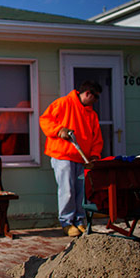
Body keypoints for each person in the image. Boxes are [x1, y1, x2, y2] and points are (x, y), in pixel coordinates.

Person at [39, 80, 103, 237]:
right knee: (67, 190)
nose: (95, 101)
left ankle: (79, 221)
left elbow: (96, 138)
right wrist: (59, 130)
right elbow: (45, 120)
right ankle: (67, 222)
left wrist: (95, 154)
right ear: (87, 93)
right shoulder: (64, 103)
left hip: (82, 158)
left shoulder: (91, 114)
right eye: (95, 97)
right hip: (63, 155)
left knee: (81, 191)